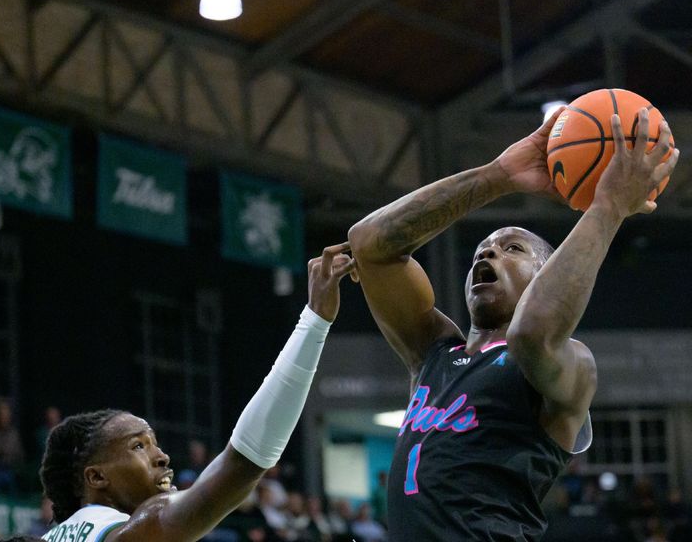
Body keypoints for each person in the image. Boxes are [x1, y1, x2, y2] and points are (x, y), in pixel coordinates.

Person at [347, 108, 679, 540]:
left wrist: (608, 206)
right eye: (481, 252)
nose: (487, 255)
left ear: (547, 275)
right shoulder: (434, 352)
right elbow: (369, 245)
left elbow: (531, 333)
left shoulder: (573, 363)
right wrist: (498, 175)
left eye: (512, 249)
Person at [39, 245, 355, 542]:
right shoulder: (133, 533)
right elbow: (243, 463)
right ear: (96, 477)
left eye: (153, 444)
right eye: (138, 446)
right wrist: (314, 321)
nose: (161, 457)